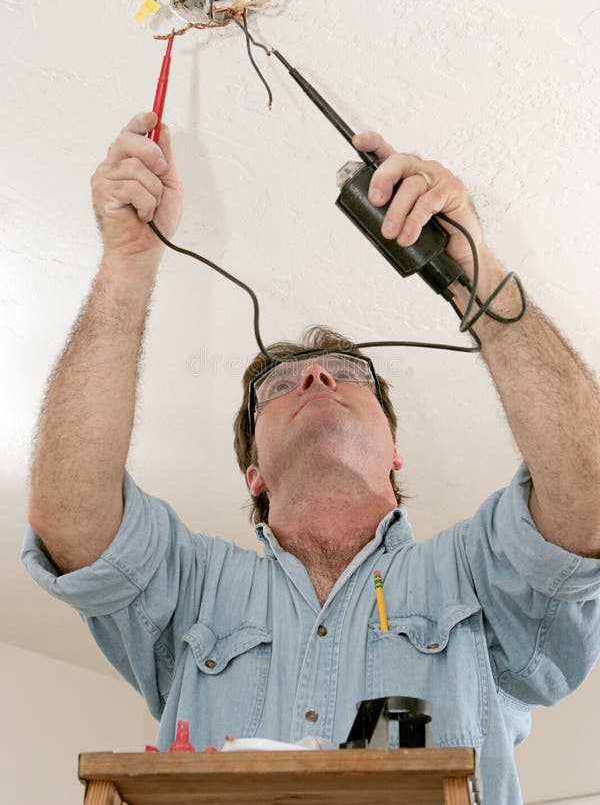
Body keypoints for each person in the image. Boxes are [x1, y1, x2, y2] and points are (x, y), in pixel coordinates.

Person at [23, 112, 600, 805]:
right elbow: (72, 522)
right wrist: (127, 263)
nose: (319, 378)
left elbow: (588, 495)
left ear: (394, 451)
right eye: (280, 384)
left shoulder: (473, 576)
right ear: (254, 473)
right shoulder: (196, 589)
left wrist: (474, 271)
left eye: (346, 372)